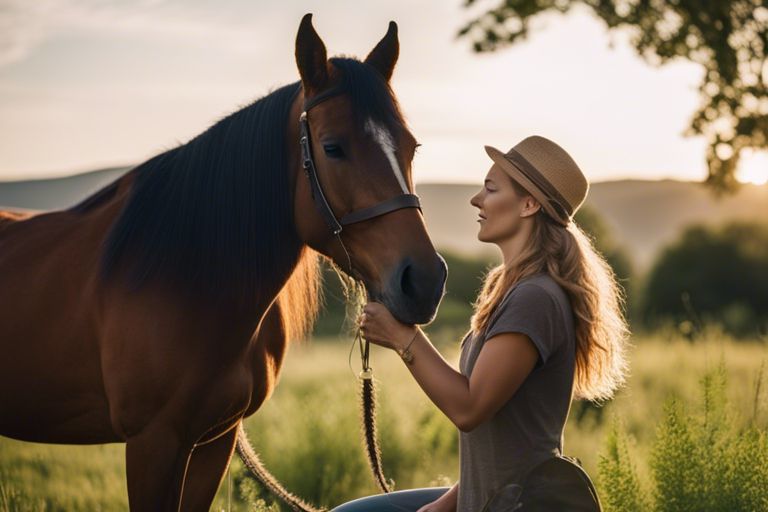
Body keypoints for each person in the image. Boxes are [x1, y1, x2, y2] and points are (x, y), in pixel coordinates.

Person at [339, 136, 628, 512]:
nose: (476, 199)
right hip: (484, 499)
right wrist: (445, 504)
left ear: (529, 205)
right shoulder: (508, 288)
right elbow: (505, 446)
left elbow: (470, 408)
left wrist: (403, 337)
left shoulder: (534, 298)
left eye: (490, 189)